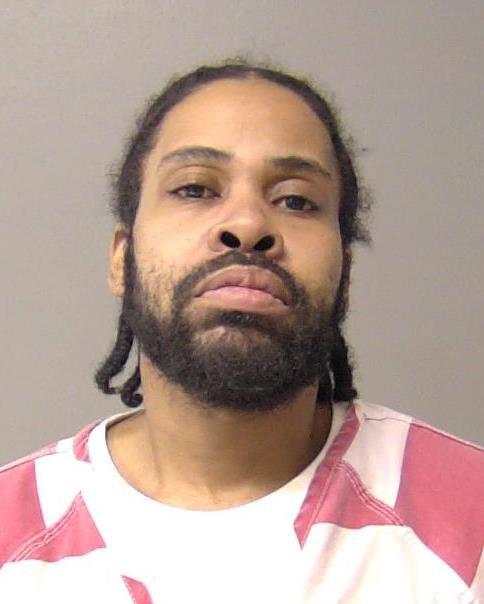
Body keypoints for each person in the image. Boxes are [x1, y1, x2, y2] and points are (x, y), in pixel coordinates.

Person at [0, 60, 482, 603]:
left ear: (344, 275)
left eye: (296, 200)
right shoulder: (11, 540)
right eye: (195, 189)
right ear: (121, 258)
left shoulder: (471, 526)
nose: (247, 224)